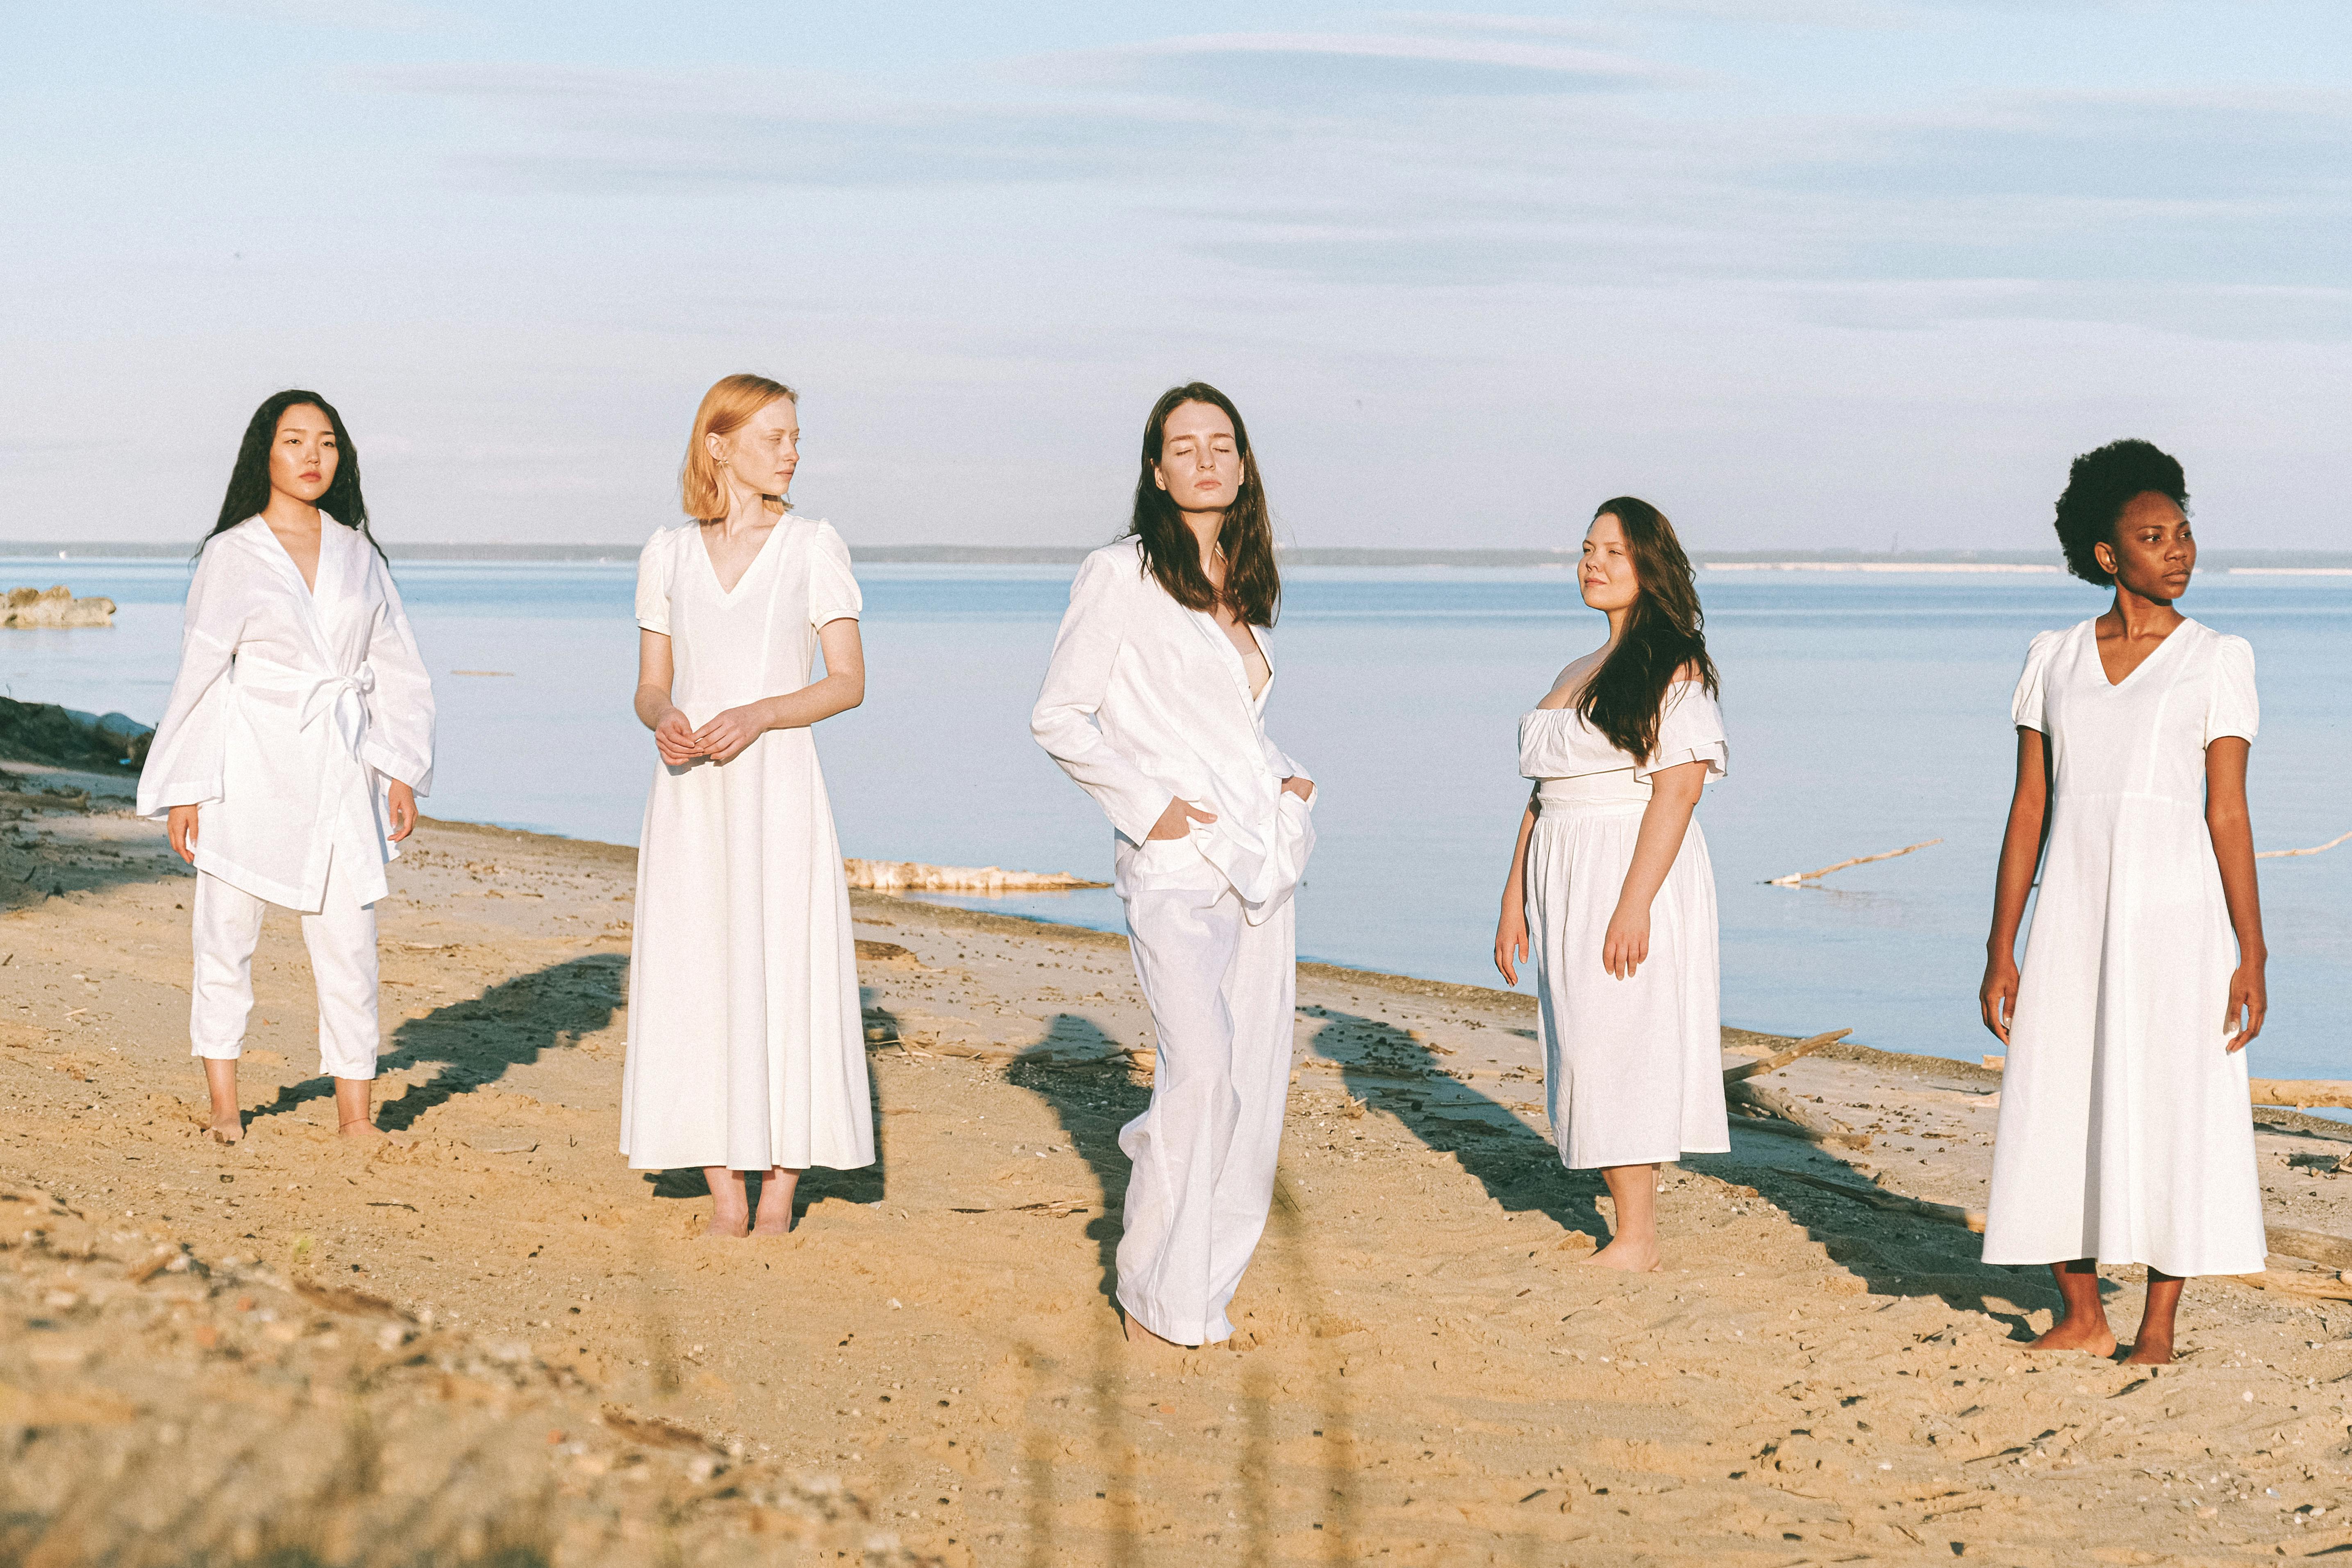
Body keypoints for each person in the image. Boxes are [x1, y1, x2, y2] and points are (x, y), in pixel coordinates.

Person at [1032, 382, 1316, 1350]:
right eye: (1183, 446)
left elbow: (1228, 730)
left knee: (1251, 1091)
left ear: (1241, 465)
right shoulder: (1119, 573)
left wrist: (1288, 781)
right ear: (1156, 471)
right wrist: (1149, 809)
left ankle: (1199, 1294)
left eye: (1220, 444)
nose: (1204, 459)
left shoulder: (1242, 579)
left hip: (1260, 861)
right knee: (1199, 1076)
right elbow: (1058, 716)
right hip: (1175, 866)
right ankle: (1151, 1293)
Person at [1978, 439, 2266, 1364]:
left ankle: (2157, 1326)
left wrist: (2252, 951)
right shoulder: (2052, 657)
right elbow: (2029, 807)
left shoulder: (2217, 658)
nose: (2177, 550)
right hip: (2071, 910)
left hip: (2178, 915)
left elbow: (2227, 811)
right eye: (2153, 536)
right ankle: (2081, 1313)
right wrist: (2000, 946)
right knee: (2057, 1092)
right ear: (2107, 555)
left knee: (2177, 1097)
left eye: (2183, 532)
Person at [139, 390, 436, 1143]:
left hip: (340, 767)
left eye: (327, 442)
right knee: (225, 938)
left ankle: (355, 1116)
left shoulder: (359, 554)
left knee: (350, 946)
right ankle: (225, 1106)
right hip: (248, 768)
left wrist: (399, 767)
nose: (312, 456)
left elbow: (396, 663)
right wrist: (186, 788)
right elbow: (203, 671)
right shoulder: (233, 553)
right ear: (264, 454)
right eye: (295, 440)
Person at [619, 374, 871, 1238]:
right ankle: (725, 1191)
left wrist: (761, 713)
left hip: (778, 785)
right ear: (718, 444)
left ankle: (778, 1190)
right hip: (691, 791)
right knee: (694, 970)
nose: (792, 452)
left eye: (796, 437)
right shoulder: (667, 553)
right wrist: (666, 718)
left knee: (786, 964)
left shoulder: (812, 546)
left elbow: (848, 681)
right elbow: (650, 686)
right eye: (774, 436)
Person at [1493, 498, 1727, 1271]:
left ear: (1650, 566)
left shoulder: (1675, 666)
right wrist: (1513, 898)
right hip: (1565, 867)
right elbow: (1544, 795)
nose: (1593, 562)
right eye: (1588, 548)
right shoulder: (1576, 670)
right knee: (1583, 1043)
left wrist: (1634, 904)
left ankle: (1637, 1236)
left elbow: (1679, 789)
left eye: (1614, 552)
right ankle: (1631, 1225)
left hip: (1630, 867)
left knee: (1620, 1042)